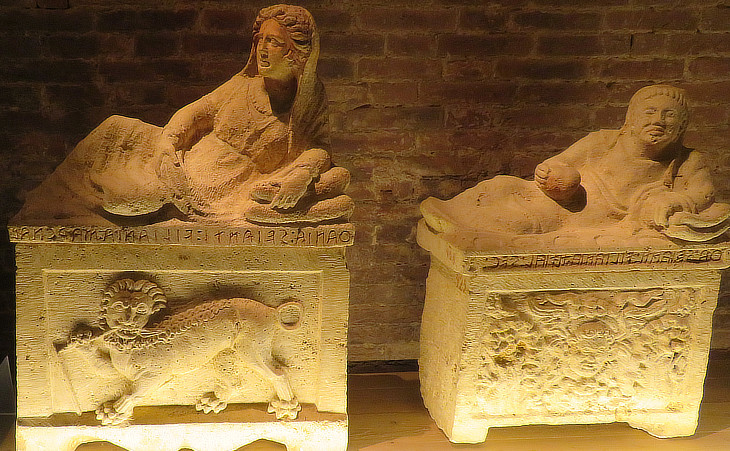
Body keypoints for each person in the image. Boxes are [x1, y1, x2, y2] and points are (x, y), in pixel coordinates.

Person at [15, 4, 352, 226]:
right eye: (260, 40)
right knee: (117, 128)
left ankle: (71, 213)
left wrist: (302, 174)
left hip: (215, 185)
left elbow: (318, 146)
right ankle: (44, 206)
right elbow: (194, 114)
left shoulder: (306, 103)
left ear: (296, 52)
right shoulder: (242, 85)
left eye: (274, 42)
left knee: (131, 199)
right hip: (180, 158)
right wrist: (168, 144)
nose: (262, 49)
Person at [421, 85, 730, 246]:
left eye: (669, 115)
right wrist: (551, 171)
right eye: (649, 112)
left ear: (682, 125)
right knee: (503, 185)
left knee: (525, 218)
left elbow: (703, 194)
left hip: (587, 212)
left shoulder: (687, 160)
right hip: (565, 191)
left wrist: (674, 200)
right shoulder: (605, 140)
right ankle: (449, 212)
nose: (658, 121)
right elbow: (564, 161)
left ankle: (467, 230)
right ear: (632, 119)